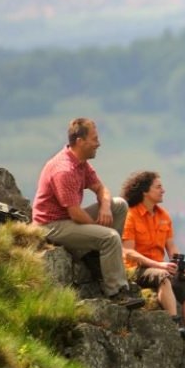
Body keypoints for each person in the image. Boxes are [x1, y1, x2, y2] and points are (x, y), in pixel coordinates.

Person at [31, 118, 144, 309]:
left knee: (119, 205)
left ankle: (96, 256)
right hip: (51, 226)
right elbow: (75, 214)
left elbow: (101, 189)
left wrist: (106, 207)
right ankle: (117, 292)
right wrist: (101, 229)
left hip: (68, 218)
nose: (98, 144)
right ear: (80, 141)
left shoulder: (81, 163)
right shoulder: (64, 170)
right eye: (94, 139)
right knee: (110, 237)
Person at [120, 170, 185, 360]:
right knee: (163, 279)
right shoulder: (131, 216)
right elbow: (127, 251)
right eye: (158, 187)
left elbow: (171, 246)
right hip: (136, 268)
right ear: (145, 192)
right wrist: (159, 265)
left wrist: (178, 264)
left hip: (159, 265)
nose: (163, 190)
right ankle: (173, 326)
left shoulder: (164, 216)